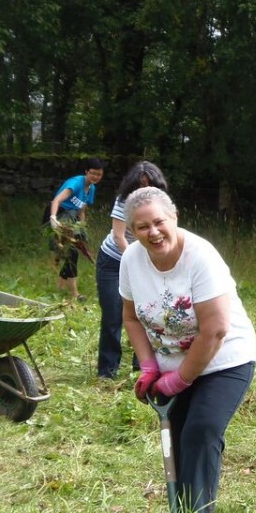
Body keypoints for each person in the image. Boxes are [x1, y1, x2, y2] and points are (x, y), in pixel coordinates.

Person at [120, 187, 256, 513]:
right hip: (171, 364)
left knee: (201, 431)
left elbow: (215, 330)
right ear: (130, 230)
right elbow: (132, 318)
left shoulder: (200, 257)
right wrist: (149, 366)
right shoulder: (131, 260)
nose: (152, 232)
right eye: (141, 227)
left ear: (174, 218)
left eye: (158, 222)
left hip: (224, 358)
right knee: (178, 442)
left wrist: (180, 380)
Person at [96, 161, 169, 379]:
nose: (144, 189)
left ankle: (142, 369)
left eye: (149, 185)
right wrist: (136, 262)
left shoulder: (161, 204)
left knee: (146, 315)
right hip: (113, 262)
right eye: (140, 185)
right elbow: (119, 236)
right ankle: (107, 372)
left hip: (146, 262)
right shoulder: (124, 201)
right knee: (113, 316)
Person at [47, 157, 104, 299]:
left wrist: (81, 228)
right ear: (86, 172)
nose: (96, 177)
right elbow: (56, 200)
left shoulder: (91, 188)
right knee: (72, 253)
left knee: (75, 250)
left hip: (72, 219)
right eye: (93, 173)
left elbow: (81, 211)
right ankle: (75, 294)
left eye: (99, 174)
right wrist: (53, 218)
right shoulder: (76, 183)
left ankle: (60, 286)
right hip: (59, 214)